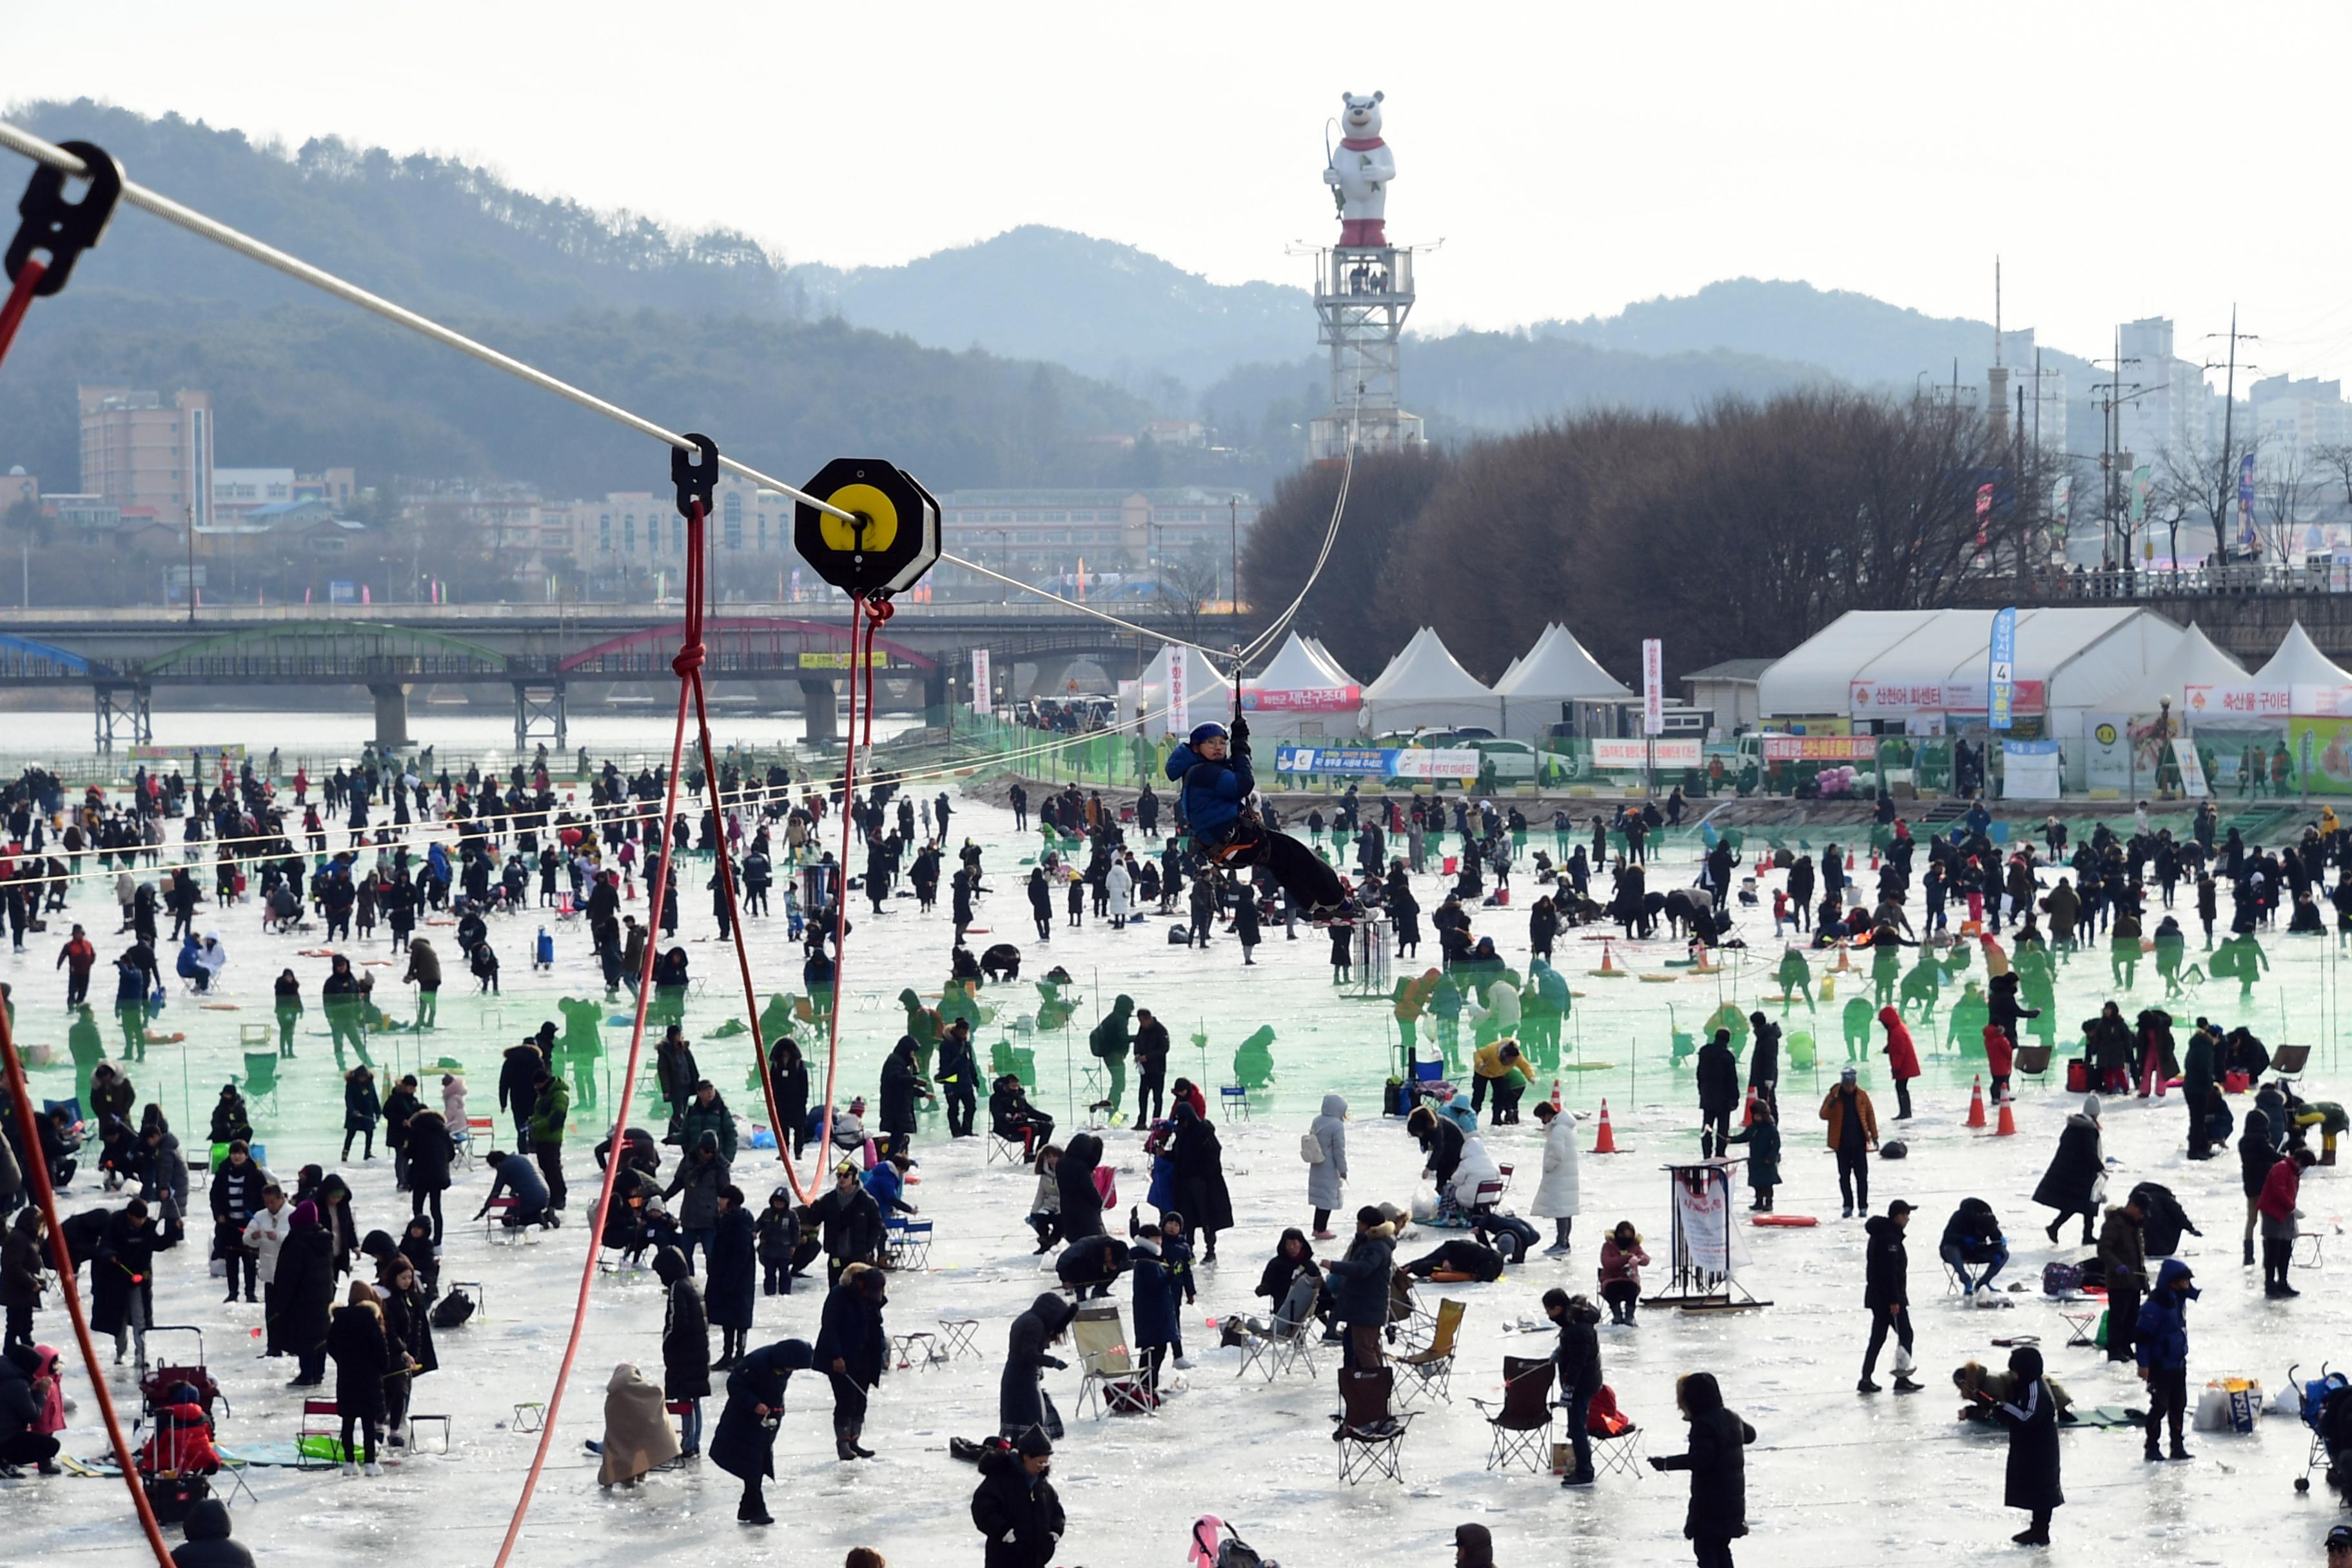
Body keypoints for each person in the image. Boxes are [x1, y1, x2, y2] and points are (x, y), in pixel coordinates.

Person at [1164, 720, 1347, 918]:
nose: (1218, 747)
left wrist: (1239, 743)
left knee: (1282, 863)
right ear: (1197, 748)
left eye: (1222, 742)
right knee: (1301, 856)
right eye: (1211, 743)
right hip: (1236, 840)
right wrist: (1241, 749)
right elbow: (1243, 784)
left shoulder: (1198, 770)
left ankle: (1317, 907)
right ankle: (1339, 904)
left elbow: (1231, 776)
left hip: (1224, 845)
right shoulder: (1205, 773)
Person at [1650, 1371, 1756, 1568]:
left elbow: (1702, 1460)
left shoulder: (1704, 1424)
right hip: (1731, 1501)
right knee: (1721, 1549)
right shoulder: (1732, 1417)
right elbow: (1750, 1435)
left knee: (1706, 1550)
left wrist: (1666, 1463)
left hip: (1711, 1502)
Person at [710, 1337, 815, 1524]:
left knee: (756, 1462)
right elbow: (735, 1384)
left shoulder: (782, 1365)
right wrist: (755, 1404)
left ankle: (748, 1508)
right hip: (743, 1419)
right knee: (753, 1464)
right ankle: (758, 1510)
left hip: (766, 1419)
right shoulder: (757, 1362)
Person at [1974, 1344, 2063, 1545]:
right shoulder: (2028, 1386)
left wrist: (2003, 1408)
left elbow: (2027, 1416)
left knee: (2043, 1491)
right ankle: (2037, 1530)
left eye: (2015, 1372)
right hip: (2033, 1447)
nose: (2014, 1376)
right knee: (2037, 1490)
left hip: (2041, 1450)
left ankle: (2041, 1532)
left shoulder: (2036, 1389)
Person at [814, 1262, 886, 1461]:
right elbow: (830, 1327)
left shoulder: (870, 1298)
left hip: (865, 1357)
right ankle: (843, 1443)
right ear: (860, 1283)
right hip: (843, 1358)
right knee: (846, 1401)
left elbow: (877, 1327)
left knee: (861, 1399)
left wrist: (881, 1352)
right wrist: (836, 1356)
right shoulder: (839, 1295)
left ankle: (855, 1441)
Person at [971, 1425, 1064, 1568]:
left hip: (1034, 1560)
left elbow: (1057, 1512)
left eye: (1046, 1462)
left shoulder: (1042, 1485)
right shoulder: (1000, 1479)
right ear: (1026, 1456)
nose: (1043, 1467)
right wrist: (1004, 1531)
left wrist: (1054, 1532)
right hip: (1005, 1559)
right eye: (1040, 1462)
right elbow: (983, 1509)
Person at [2135, 1257, 2198, 1462]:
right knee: (2160, 1406)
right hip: (2160, 1365)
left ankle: (2177, 1446)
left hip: (2178, 1362)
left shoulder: (2177, 1298)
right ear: (2173, 1281)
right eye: (2184, 1280)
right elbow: (2143, 1337)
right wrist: (2143, 1364)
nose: (2188, 1284)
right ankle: (2151, 1447)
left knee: (2178, 1405)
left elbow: (2191, 1293)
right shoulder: (2156, 1305)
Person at [1322, 1204, 1397, 1367]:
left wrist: (1334, 1266)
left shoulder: (1376, 1246)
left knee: (1364, 1349)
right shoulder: (1370, 1243)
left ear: (1369, 1226)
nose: (1357, 1226)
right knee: (1365, 1347)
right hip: (1362, 1307)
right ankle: (1365, 1383)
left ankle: (1374, 1383)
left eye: (1360, 1223)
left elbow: (1362, 1269)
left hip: (1367, 1307)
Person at [1859, 1200, 1921, 1395]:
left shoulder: (1882, 1235)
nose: (1908, 1219)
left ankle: (1866, 1378)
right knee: (1906, 1334)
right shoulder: (1890, 1239)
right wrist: (1894, 1300)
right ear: (1897, 1216)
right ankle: (1902, 1379)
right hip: (1888, 1298)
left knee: (1877, 1338)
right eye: (1906, 1215)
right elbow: (1889, 1272)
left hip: (1878, 1296)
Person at [327, 1280, 389, 1476]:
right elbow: (381, 1350)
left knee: (348, 1421)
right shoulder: (370, 1319)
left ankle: (349, 1462)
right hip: (369, 1378)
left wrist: (344, 1362)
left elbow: (331, 1346)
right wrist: (380, 1368)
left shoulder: (339, 1319)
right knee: (368, 1423)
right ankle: (370, 1462)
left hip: (346, 1377)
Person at [654, 1246, 710, 1457]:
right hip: (697, 1352)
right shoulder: (693, 1283)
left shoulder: (679, 1288)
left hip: (686, 1355)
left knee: (687, 1399)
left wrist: (667, 1340)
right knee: (694, 1400)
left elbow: (677, 1322)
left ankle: (688, 1444)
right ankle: (694, 1442)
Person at [1000, 1291, 1076, 1439]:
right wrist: (1053, 1362)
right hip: (1023, 1379)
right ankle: (1029, 1455)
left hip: (1021, 1377)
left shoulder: (1029, 1319)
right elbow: (1029, 1354)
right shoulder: (1034, 1324)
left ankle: (1026, 1455)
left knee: (1025, 1422)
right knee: (1031, 1423)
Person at [1546, 1288, 1602, 1486]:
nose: (1548, 1315)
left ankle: (1585, 1472)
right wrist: (1561, 1350)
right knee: (1576, 1428)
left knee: (1577, 1429)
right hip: (1587, 1381)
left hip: (1582, 1384)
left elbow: (1578, 1362)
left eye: (1549, 1310)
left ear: (1558, 1308)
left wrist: (1569, 1390)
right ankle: (1582, 1468)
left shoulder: (1577, 1329)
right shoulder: (1576, 1320)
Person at [596, 1361, 681, 1489]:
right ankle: (640, 1477)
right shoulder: (644, 1391)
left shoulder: (613, 1397)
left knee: (623, 1454)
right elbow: (657, 1392)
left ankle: (626, 1478)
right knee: (643, 1451)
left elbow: (612, 1423)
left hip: (624, 1438)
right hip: (642, 1438)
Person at [2034, 1095, 2106, 1246]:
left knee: (2078, 1205)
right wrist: (2100, 1168)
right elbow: (2090, 1154)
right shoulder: (2089, 1130)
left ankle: (2061, 1228)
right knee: (2086, 1204)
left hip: (2069, 1171)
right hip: (2081, 1174)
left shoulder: (2073, 1126)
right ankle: (2082, 1234)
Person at [808, 1159, 885, 1288]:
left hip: (858, 1256)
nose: (842, 1179)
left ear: (854, 1178)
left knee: (858, 1292)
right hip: (836, 1255)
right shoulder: (829, 1200)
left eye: (846, 1175)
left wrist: (869, 1247)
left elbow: (877, 1226)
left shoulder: (866, 1201)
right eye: (839, 1176)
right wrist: (813, 1208)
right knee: (836, 1289)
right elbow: (814, 1221)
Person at [1819, 1066, 1878, 1219]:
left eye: (1852, 1085)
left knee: (1862, 1177)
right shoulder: (1834, 1095)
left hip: (1859, 1143)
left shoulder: (1862, 1096)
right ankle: (1848, 1205)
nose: (1850, 1088)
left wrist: (1875, 1135)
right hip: (1841, 1144)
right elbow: (1823, 1115)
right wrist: (1831, 1103)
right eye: (1847, 1085)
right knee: (1844, 1177)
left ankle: (1863, 1206)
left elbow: (1870, 1115)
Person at [2260, 1146, 2318, 1297]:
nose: (2305, 1170)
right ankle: (2270, 1285)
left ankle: (2283, 1282)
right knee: (2273, 1251)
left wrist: (2292, 1211)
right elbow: (2278, 1192)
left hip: (2285, 1213)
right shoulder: (2281, 1169)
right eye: (2305, 1165)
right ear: (2298, 1161)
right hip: (2273, 1213)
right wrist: (2293, 1208)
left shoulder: (2293, 1172)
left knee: (2285, 1250)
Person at [2097, 1193, 2148, 1363]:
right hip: (2118, 1281)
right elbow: (2103, 1250)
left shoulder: (2136, 1226)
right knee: (2118, 1317)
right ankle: (2114, 1349)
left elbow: (2139, 1256)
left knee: (2132, 1317)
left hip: (2134, 1280)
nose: (2141, 1215)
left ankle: (2126, 1346)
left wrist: (2144, 1279)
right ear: (2132, 1206)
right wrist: (2117, 1266)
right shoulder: (2115, 1224)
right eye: (2140, 1211)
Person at [1531, 1099, 1582, 1251]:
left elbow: (1557, 1154)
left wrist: (1548, 1167)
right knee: (1567, 1211)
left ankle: (1561, 1242)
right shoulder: (1568, 1128)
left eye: (1542, 1118)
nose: (1542, 1122)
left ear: (1547, 1115)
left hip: (1560, 1175)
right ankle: (1565, 1241)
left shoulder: (1558, 1130)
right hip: (1568, 1174)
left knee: (1561, 1210)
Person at [1939, 1197, 2008, 1300]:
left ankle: (1983, 1282)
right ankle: (1966, 1280)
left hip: (1976, 1250)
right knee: (1950, 1248)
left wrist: (1999, 1251)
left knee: (2005, 1254)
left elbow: (1997, 1240)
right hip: (1958, 1251)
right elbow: (1948, 1237)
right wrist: (1963, 1239)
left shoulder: (1989, 1220)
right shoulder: (1959, 1217)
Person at [1724, 1099, 1780, 1213]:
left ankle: (1769, 1202)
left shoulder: (1770, 1128)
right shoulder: (1753, 1128)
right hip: (1755, 1160)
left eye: (1758, 1115)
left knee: (1767, 1184)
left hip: (1767, 1161)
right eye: (1755, 1115)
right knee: (1757, 1184)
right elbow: (1744, 1137)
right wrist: (1732, 1140)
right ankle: (1758, 1201)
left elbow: (1776, 1144)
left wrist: (1771, 1157)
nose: (1756, 1118)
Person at [1307, 1093, 1349, 1239]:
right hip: (1329, 1166)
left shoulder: (1317, 1120)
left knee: (1321, 1198)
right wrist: (1343, 1170)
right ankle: (1321, 1229)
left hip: (1317, 1162)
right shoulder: (1337, 1125)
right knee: (1327, 1199)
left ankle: (1317, 1228)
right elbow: (1339, 1150)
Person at [1694, 1028, 1738, 1159]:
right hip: (1724, 1098)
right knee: (1723, 1127)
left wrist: (1701, 1091)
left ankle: (1706, 1154)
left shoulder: (1704, 1052)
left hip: (1707, 1095)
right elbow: (1732, 1079)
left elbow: (1699, 1074)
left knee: (1707, 1125)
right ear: (1728, 1040)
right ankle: (1720, 1153)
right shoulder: (1727, 1056)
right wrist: (1735, 1098)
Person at [1599, 1220, 1648, 1326]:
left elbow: (1646, 1259)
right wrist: (1625, 1258)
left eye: (1629, 1235)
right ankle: (1617, 1315)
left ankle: (1630, 1316)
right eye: (1623, 1235)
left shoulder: (1635, 1246)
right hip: (1611, 1278)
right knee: (1612, 1289)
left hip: (1629, 1278)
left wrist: (1638, 1259)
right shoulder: (1608, 1246)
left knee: (1631, 1288)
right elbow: (1607, 1263)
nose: (1626, 1238)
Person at [1877, 1004, 1921, 1121]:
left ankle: (1905, 1112)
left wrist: (1896, 1067)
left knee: (1901, 1087)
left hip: (1904, 1065)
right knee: (1902, 1087)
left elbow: (1899, 1052)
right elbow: (1895, 1047)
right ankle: (1905, 1112)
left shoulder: (1897, 1031)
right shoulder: (1897, 1028)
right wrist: (1888, 1048)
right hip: (1905, 1063)